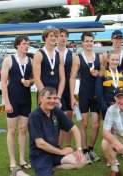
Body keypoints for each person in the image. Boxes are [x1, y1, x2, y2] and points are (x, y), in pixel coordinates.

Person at [8, 87, 86, 176]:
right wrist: (61, 152)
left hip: (53, 153)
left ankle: (50, 169)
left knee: (81, 161)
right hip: (40, 156)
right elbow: (40, 143)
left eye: (54, 98)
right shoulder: (34, 116)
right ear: (40, 99)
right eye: (49, 97)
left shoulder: (56, 111)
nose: (52, 101)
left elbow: (75, 129)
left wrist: (79, 149)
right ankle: (19, 174)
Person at [1, 35, 34, 171]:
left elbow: (33, 78)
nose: (26, 46)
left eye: (28, 43)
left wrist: (30, 82)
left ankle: (22, 159)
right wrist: (7, 103)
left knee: (23, 130)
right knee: (12, 130)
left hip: (26, 99)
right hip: (13, 100)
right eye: (24, 43)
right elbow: (3, 83)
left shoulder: (30, 61)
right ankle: (13, 161)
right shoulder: (9, 60)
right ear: (17, 45)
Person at [70, 32, 103, 163]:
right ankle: (84, 151)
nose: (89, 43)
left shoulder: (99, 57)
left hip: (96, 94)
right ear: (82, 43)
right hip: (84, 93)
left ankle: (91, 149)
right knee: (84, 123)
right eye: (87, 41)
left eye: (91, 41)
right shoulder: (77, 58)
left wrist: (98, 73)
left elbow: (103, 72)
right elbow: (72, 76)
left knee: (95, 124)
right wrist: (72, 95)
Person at [33, 27, 65, 108]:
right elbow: (36, 78)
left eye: (56, 36)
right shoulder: (39, 54)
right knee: (44, 119)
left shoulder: (59, 55)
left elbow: (62, 78)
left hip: (57, 94)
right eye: (51, 36)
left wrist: (58, 96)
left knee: (60, 119)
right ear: (45, 37)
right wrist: (45, 96)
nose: (54, 38)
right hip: (44, 94)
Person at [56, 28, 74, 148]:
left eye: (65, 36)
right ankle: (55, 145)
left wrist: (73, 95)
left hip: (67, 88)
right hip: (54, 88)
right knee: (55, 119)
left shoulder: (71, 54)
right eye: (61, 36)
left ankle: (67, 145)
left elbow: (73, 75)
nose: (63, 38)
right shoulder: (51, 52)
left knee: (68, 118)